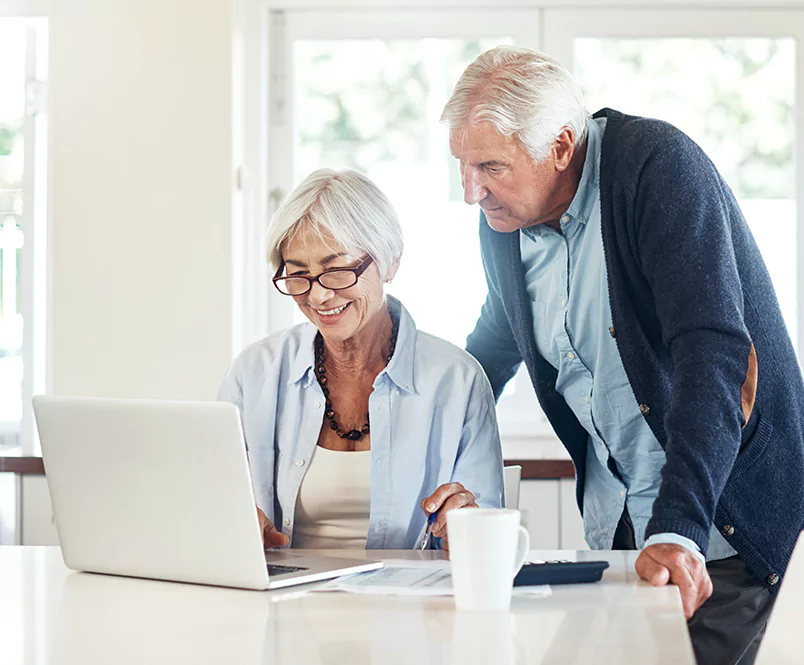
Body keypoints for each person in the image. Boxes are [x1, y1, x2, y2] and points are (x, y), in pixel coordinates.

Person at [442, 45, 804, 665]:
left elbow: (712, 356)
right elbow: (493, 348)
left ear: (560, 145)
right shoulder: (504, 223)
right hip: (618, 534)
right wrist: (413, 438)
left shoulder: (656, 169)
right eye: (462, 165)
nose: (471, 190)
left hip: (720, 532)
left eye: (490, 167)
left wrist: (680, 530)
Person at [217, 168, 503, 551]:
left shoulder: (457, 380)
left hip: (411, 605)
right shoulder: (253, 375)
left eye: (337, 271)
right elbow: (210, 509)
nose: (318, 297)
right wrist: (231, 526)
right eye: (298, 275)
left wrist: (466, 532)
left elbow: (486, 537)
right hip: (283, 603)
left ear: (390, 261)